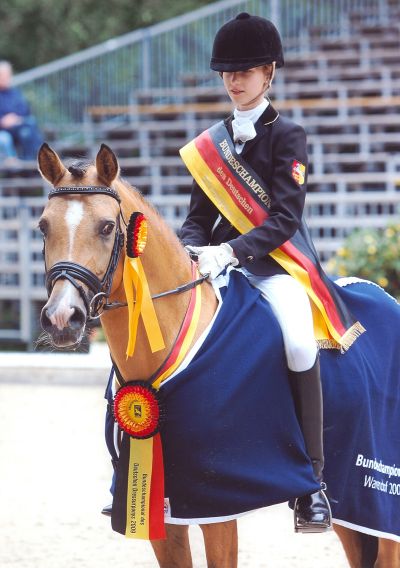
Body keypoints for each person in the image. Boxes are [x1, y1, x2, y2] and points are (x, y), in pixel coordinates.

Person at [179, 12, 341, 533]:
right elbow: (196, 221)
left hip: (275, 267)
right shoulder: (211, 145)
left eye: (245, 70)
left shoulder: (289, 135)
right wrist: (188, 251)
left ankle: (313, 486)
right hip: (219, 270)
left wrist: (230, 253)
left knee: (297, 341)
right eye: (227, 71)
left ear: (268, 73)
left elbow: (287, 219)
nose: (234, 79)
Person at [0, 60, 43, 164]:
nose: (6, 77)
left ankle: (32, 161)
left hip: (18, 126)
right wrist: (2, 120)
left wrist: (16, 118)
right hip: (3, 129)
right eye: (3, 75)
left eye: (8, 74)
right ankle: (33, 162)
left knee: (29, 127)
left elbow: (25, 110)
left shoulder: (15, 93)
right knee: (25, 131)